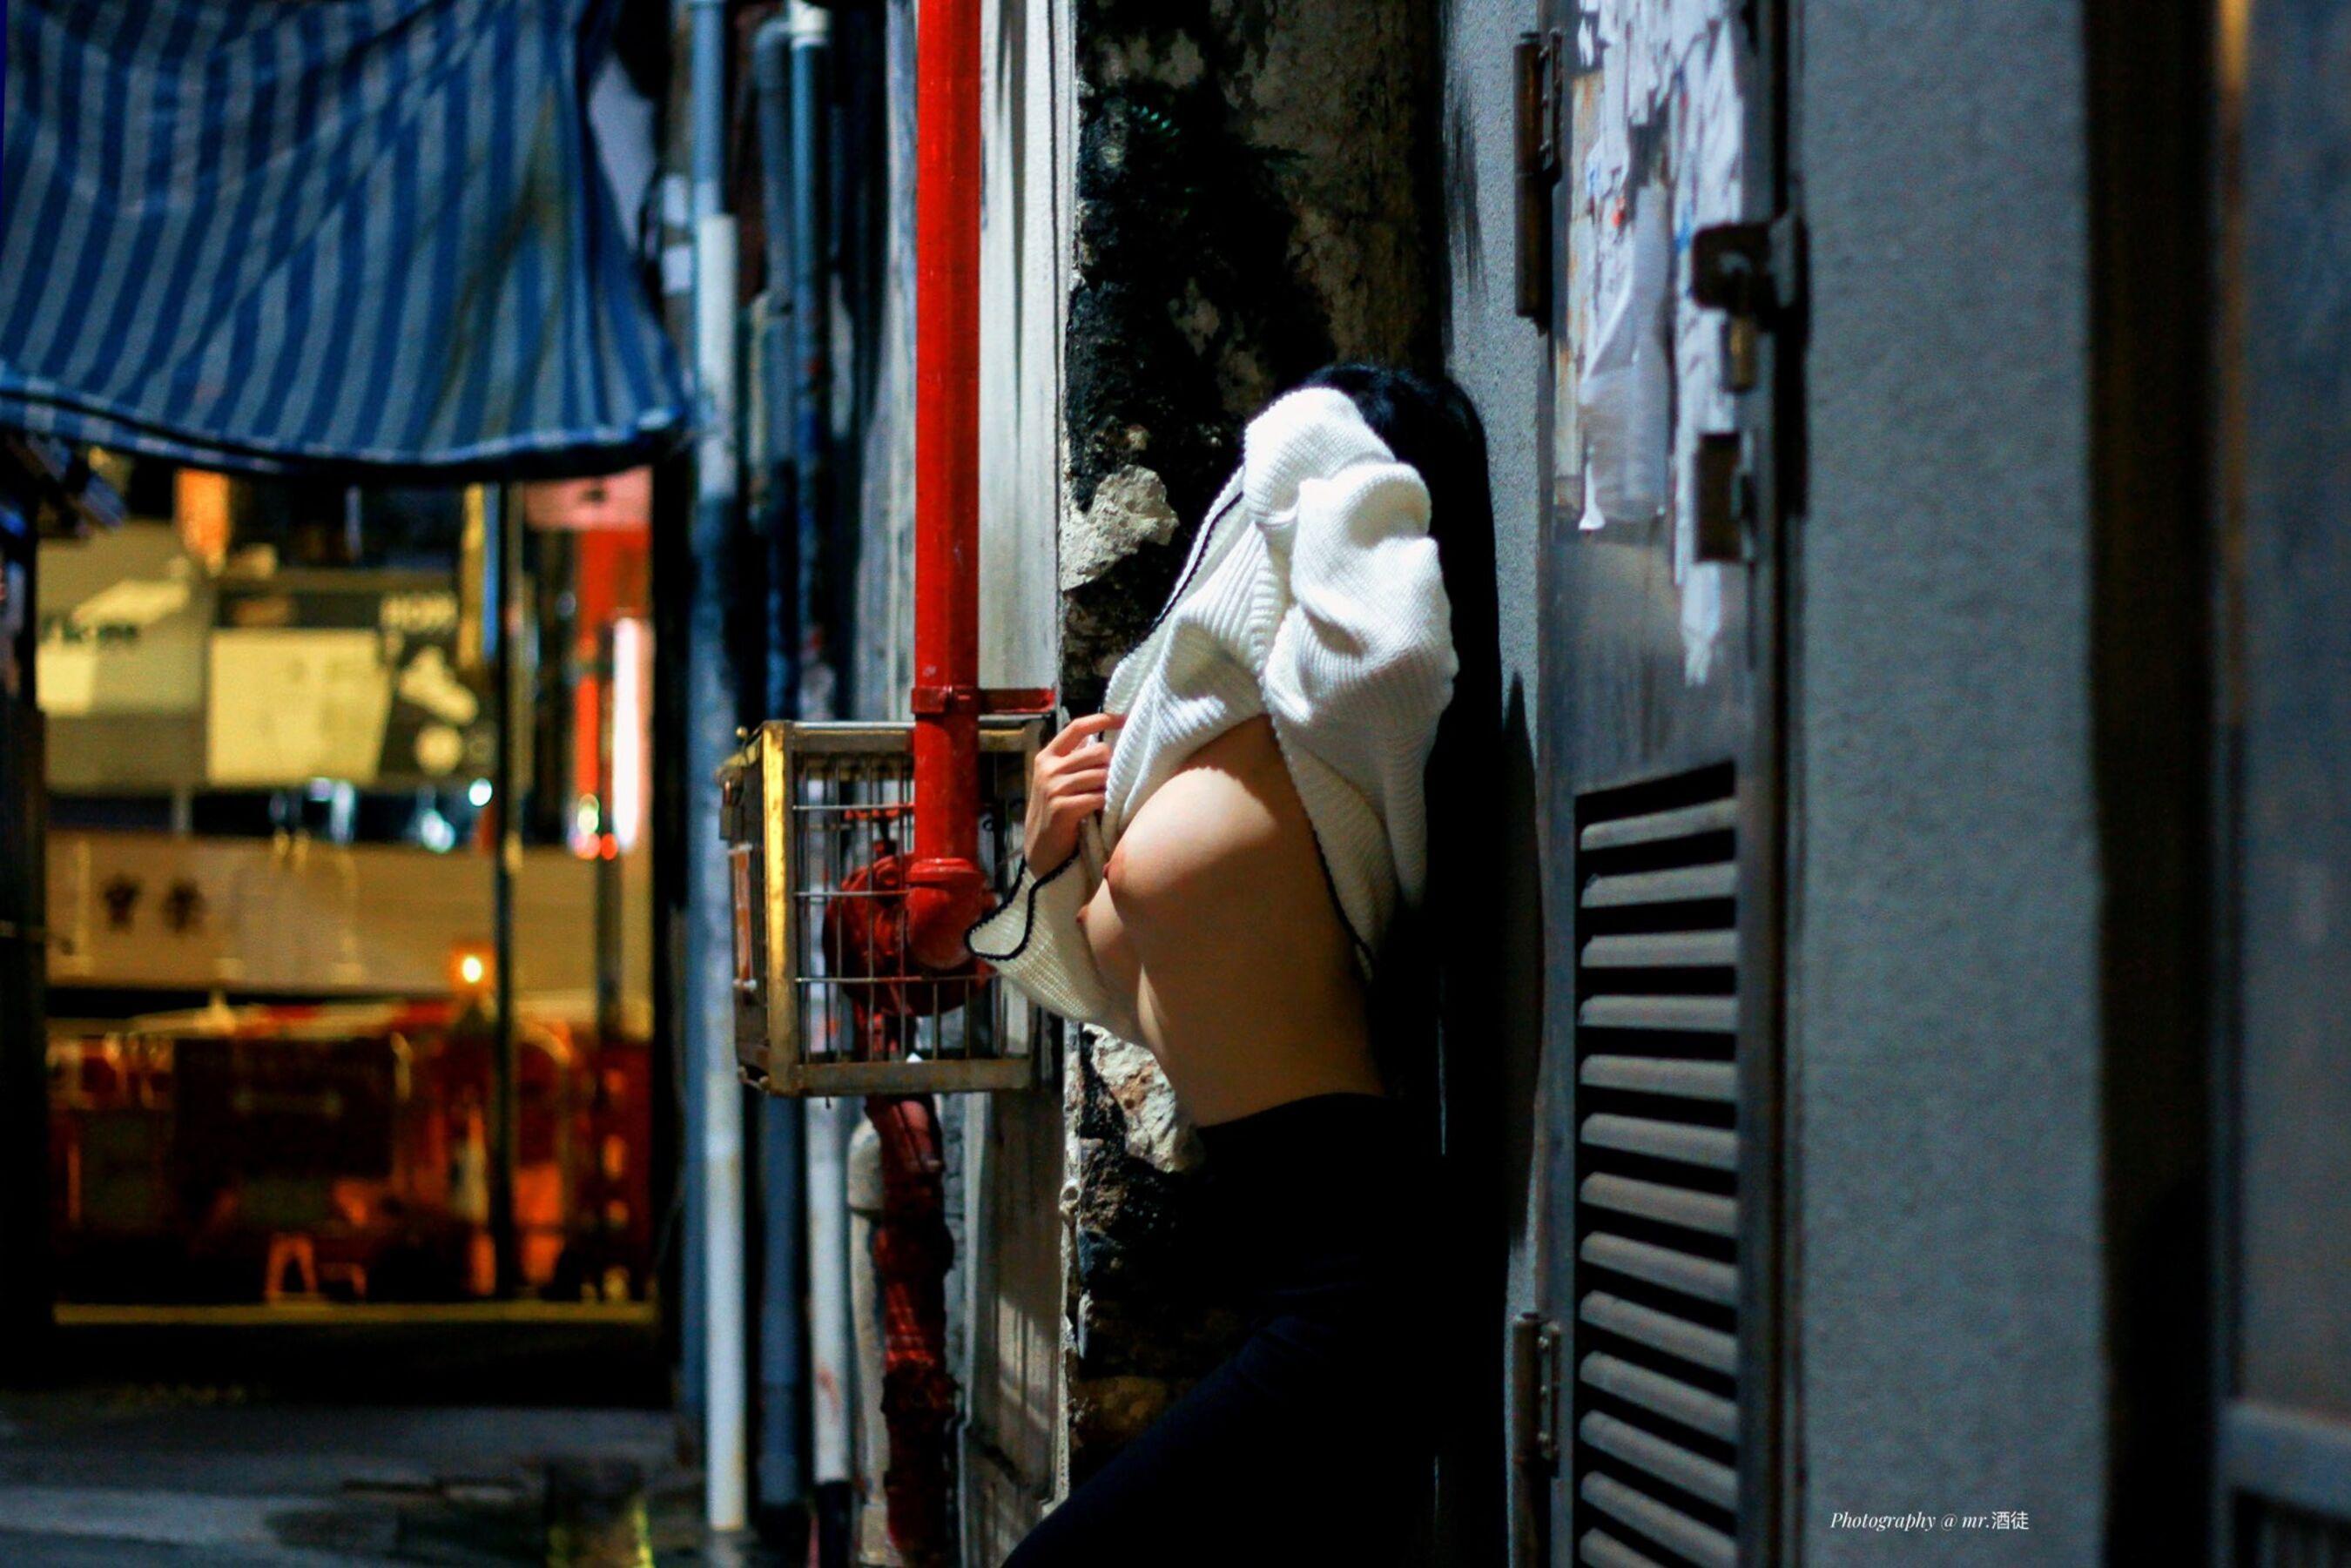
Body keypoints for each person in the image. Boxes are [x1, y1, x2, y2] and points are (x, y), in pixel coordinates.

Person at [963, 363, 1490, 1565]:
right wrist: (1045, 856)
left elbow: (1398, 659)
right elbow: (1089, 985)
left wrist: (1318, 432)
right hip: (1304, 1304)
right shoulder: (1196, 752)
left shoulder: (1326, 735)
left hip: (1359, 1297)